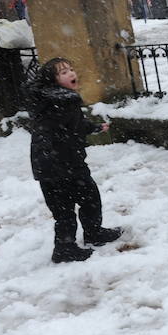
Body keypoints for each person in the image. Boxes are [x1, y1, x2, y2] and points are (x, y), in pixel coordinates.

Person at [23, 58, 123, 263]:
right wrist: (90, 128)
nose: (70, 73)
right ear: (52, 81)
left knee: (63, 208)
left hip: (46, 164)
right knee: (88, 198)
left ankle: (66, 245)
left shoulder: (44, 101)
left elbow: (68, 126)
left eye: (70, 69)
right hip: (65, 162)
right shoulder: (64, 101)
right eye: (62, 72)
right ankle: (84, 238)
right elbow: (72, 128)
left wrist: (93, 127)